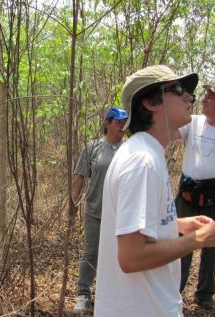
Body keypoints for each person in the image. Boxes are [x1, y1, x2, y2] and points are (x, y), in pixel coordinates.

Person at [94, 65, 215, 317]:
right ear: (150, 102)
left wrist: (176, 224)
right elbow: (131, 257)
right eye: (178, 90)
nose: (189, 96)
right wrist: (199, 239)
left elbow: (133, 229)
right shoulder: (142, 162)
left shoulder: (146, 153)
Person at [176, 82, 215, 309]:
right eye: (205, 94)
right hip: (187, 195)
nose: (205, 98)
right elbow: (170, 131)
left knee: (213, 247)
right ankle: (174, 292)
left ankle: (205, 294)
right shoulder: (193, 122)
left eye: (211, 95)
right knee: (181, 245)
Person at [72, 107, 128, 313]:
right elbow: (79, 176)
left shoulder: (129, 149)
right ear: (107, 123)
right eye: (118, 122)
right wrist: (73, 203)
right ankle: (83, 294)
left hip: (121, 214)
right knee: (91, 254)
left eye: (124, 122)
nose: (122, 126)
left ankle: (113, 294)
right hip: (95, 211)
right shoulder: (93, 147)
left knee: (118, 255)